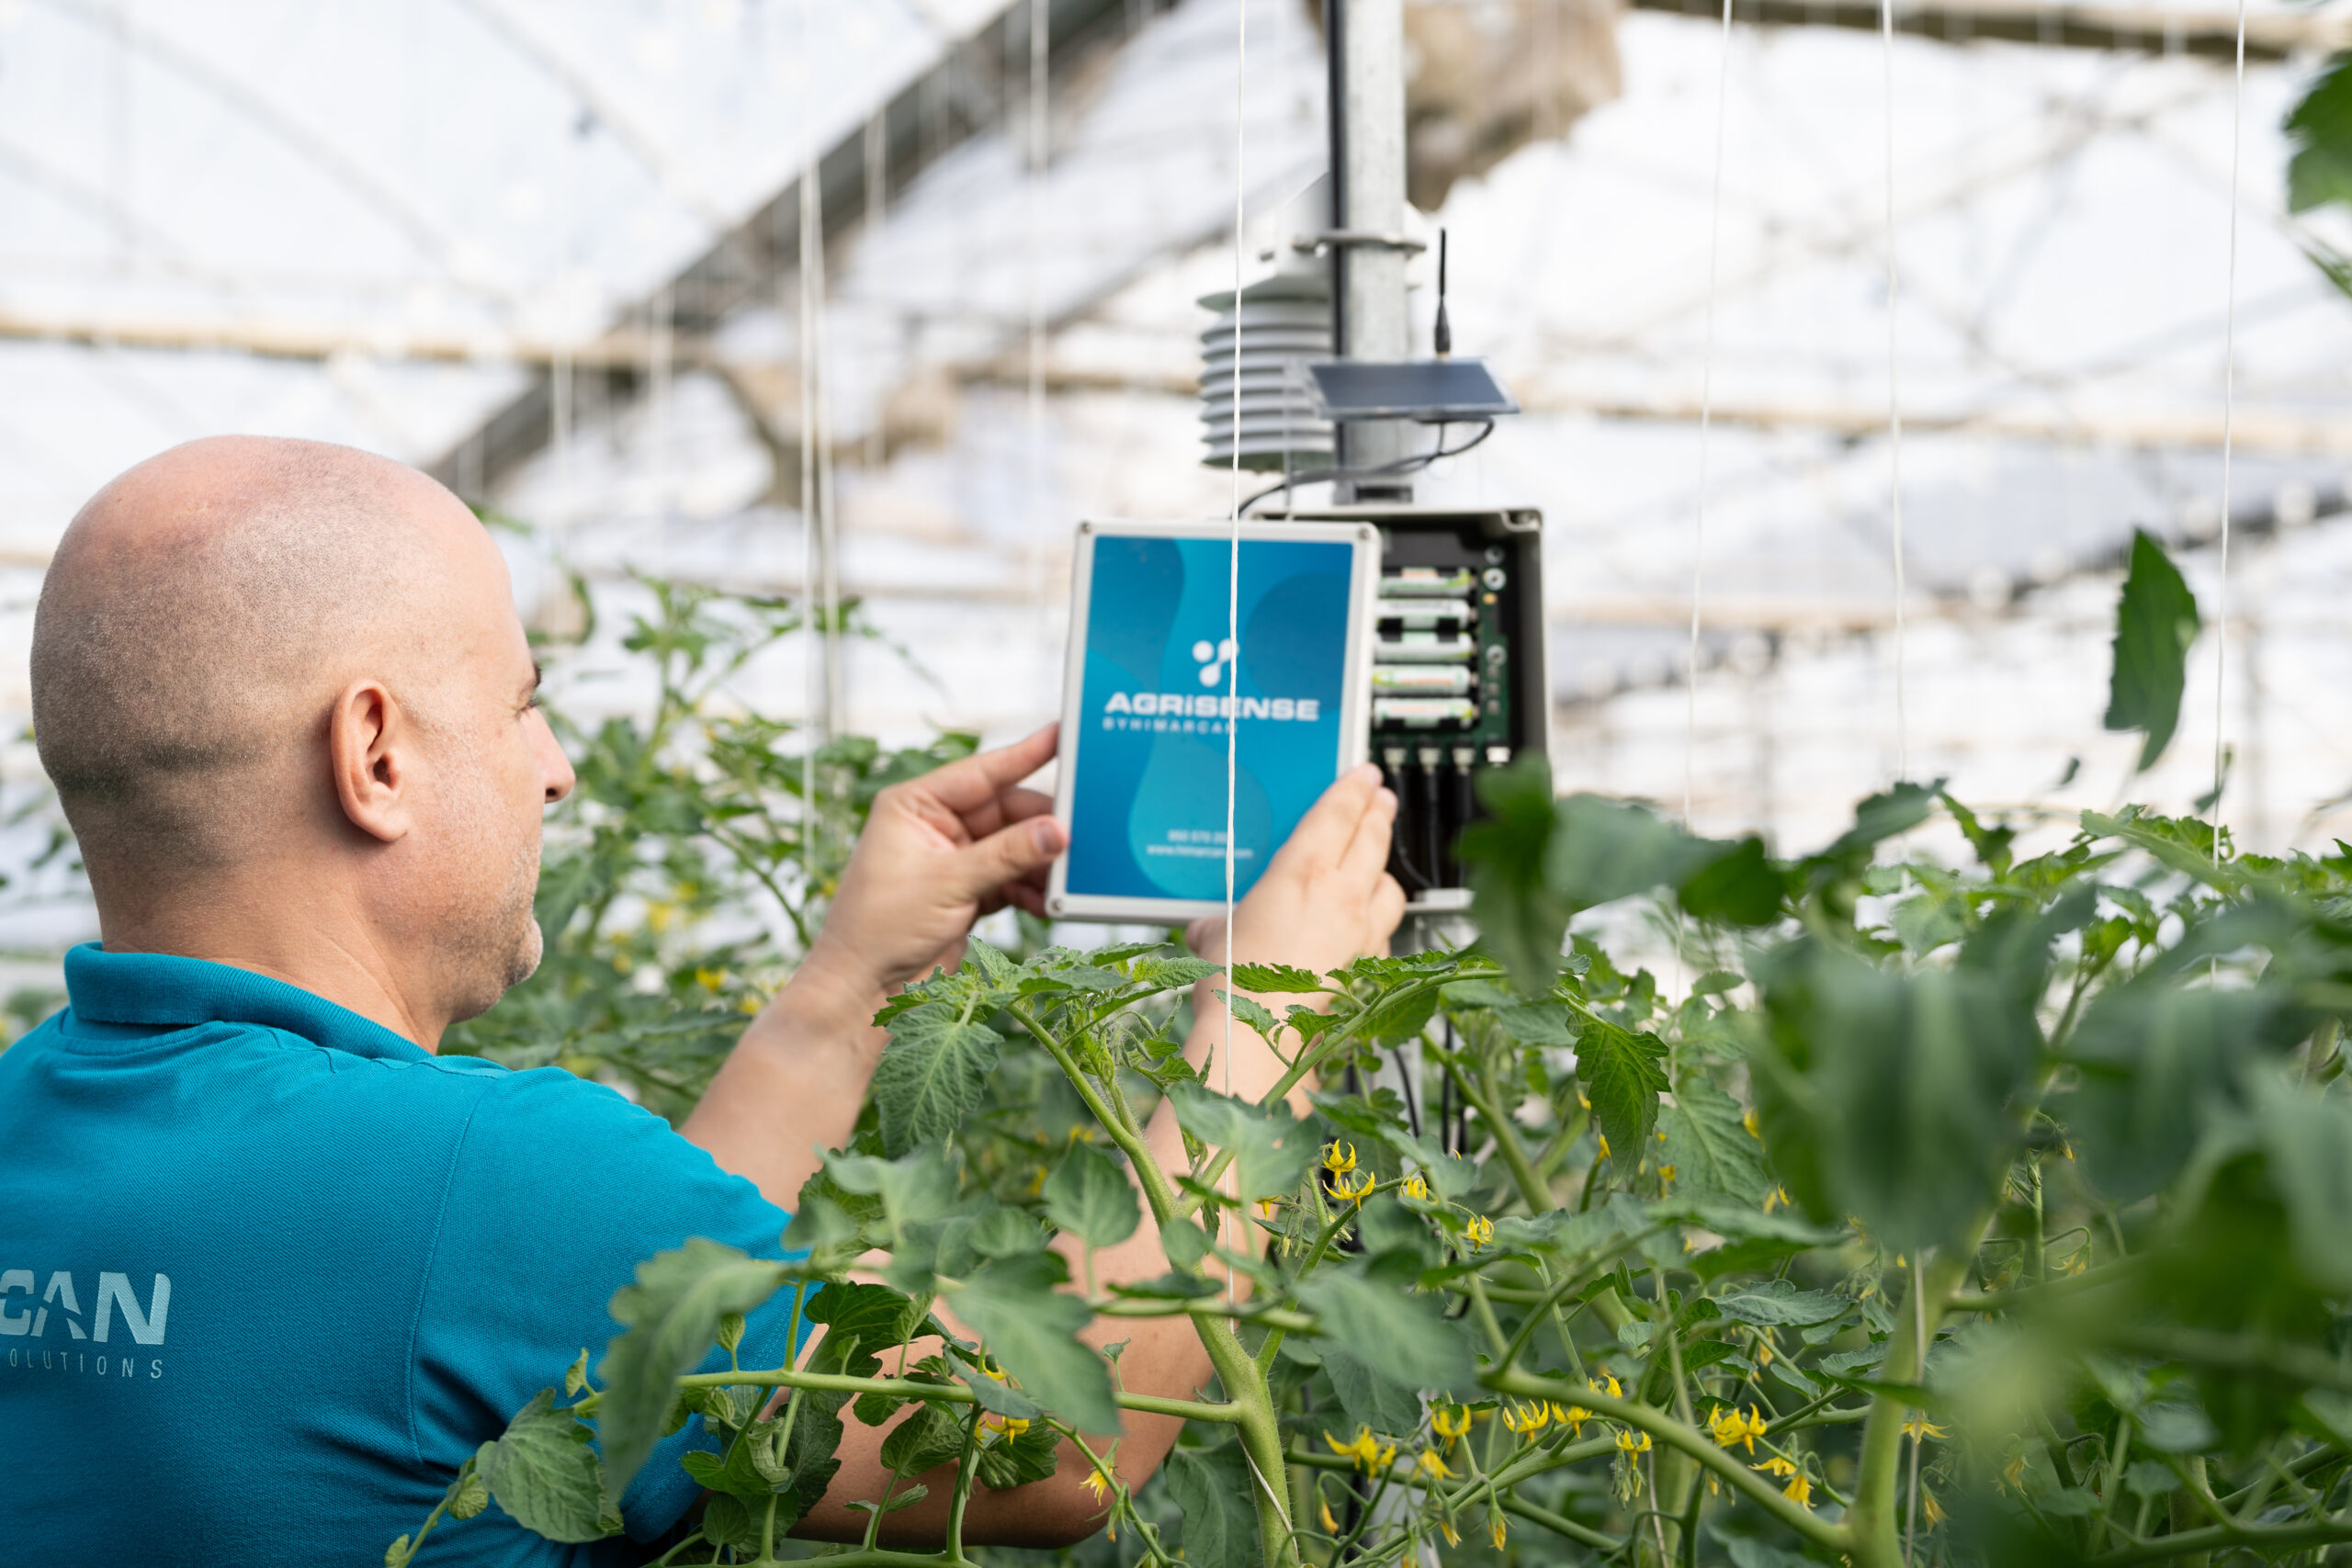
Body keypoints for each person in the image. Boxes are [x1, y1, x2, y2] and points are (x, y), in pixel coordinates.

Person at [0, 436, 1406, 1564]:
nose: (555, 768)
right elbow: (1054, 1434)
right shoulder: (489, 1185)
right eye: (520, 704)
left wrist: (849, 989)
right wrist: (1267, 1015)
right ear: (375, 754)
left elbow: (625, 1316)